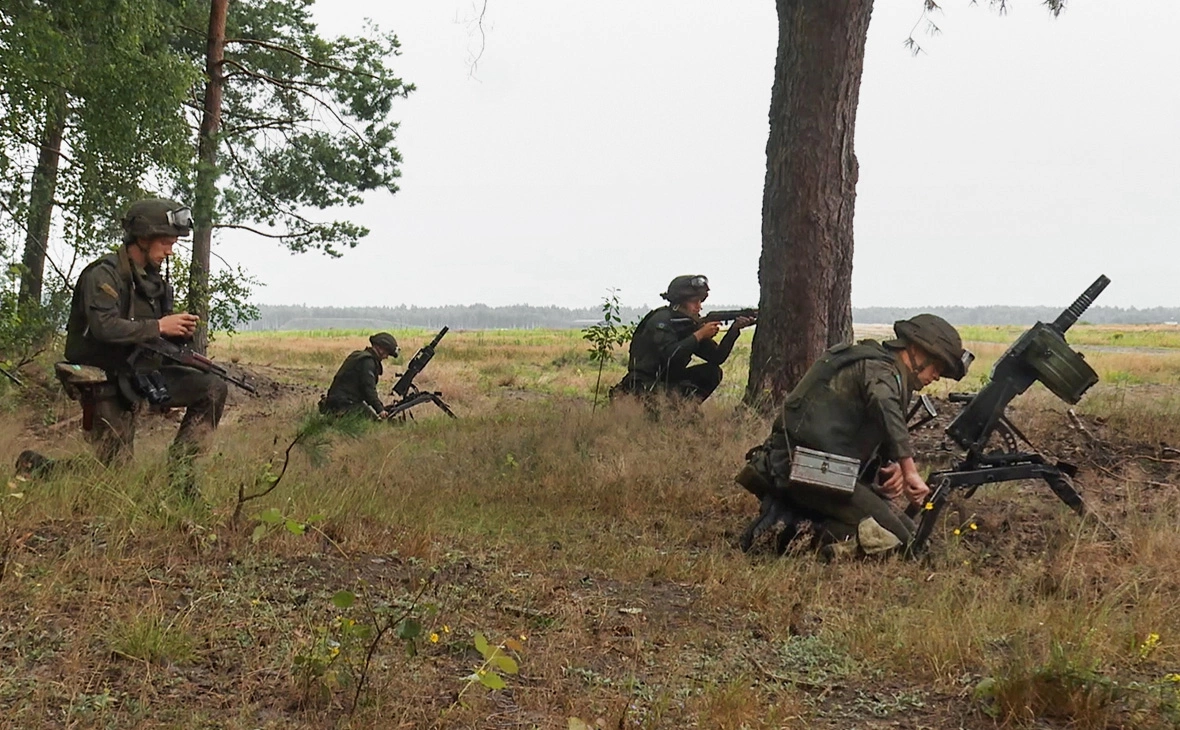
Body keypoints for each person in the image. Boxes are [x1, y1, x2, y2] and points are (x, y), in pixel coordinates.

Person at [18, 198, 228, 496]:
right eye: (166, 243)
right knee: (114, 473)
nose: (170, 251)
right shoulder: (103, 274)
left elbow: (152, 333)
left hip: (140, 371)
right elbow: (104, 327)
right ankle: (40, 469)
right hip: (103, 377)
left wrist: (177, 336)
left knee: (212, 388)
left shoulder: (153, 281)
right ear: (143, 237)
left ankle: (181, 478)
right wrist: (160, 326)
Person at [737, 314, 969, 559]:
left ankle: (793, 525)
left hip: (829, 473)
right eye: (937, 367)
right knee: (902, 544)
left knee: (910, 533)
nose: (936, 376)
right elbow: (883, 403)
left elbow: (876, 425)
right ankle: (791, 537)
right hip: (803, 468)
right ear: (916, 350)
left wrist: (892, 465)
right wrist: (909, 469)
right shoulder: (878, 369)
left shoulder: (893, 375)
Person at [612, 275, 755, 403]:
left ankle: (684, 411)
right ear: (679, 302)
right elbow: (669, 355)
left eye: (700, 301)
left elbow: (717, 357)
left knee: (712, 373)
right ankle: (675, 412)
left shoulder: (687, 325)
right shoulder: (662, 320)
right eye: (694, 302)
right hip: (644, 384)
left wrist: (734, 330)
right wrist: (699, 335)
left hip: (667, 381)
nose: (699, 307)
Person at [319, 332, 400, 419]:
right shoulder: (367, 362)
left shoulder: (360, 356)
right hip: (345, 404)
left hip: (340, 401)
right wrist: (380, 410)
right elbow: (368, 388)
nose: (386, 357)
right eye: (387, 353)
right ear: (380, 349)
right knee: (373, 423)